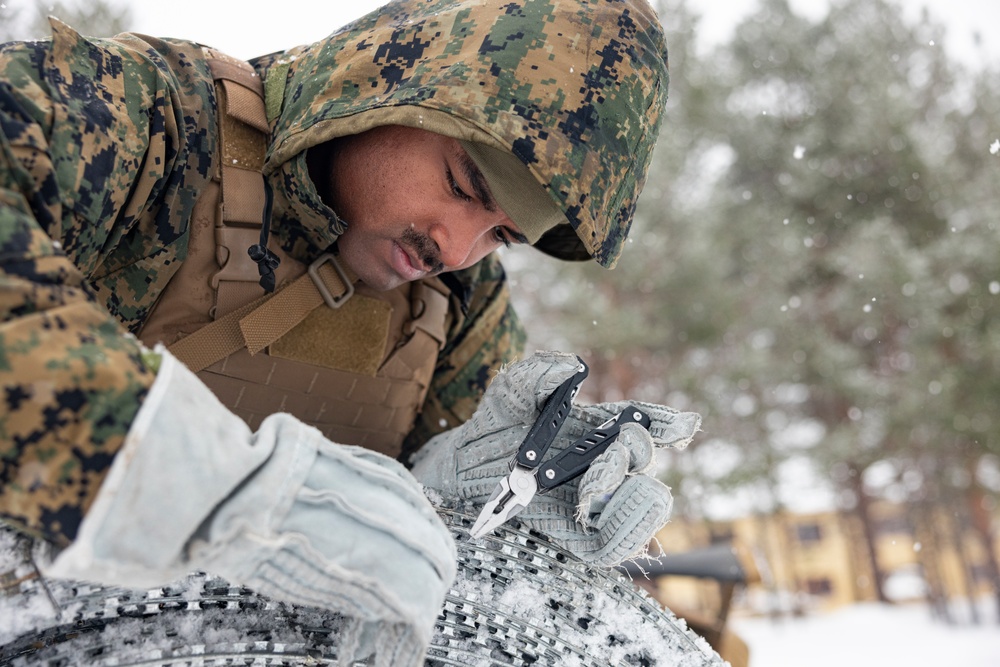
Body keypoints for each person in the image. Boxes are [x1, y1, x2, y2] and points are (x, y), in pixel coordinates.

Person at [0, 1, 693, 665]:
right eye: (462, 185)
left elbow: (443, 588)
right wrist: (201, 480)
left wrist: (459, 499)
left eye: (502, 235)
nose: (455, 249)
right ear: (393, 87)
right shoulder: (154, 124)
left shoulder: (455, 300)